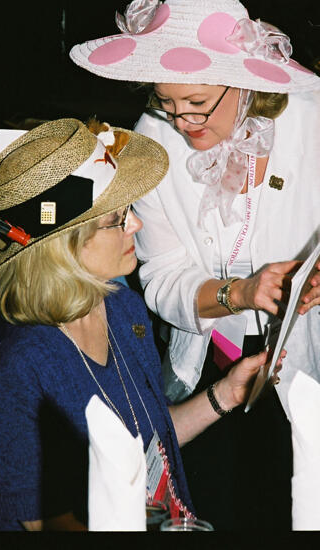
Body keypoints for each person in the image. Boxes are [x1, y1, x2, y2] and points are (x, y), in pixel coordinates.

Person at [0, 117, 282, 531]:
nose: (137, 225)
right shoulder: (5, 369)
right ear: (61, 249)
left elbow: (147, 439)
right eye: (116, 220)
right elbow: (47, 525)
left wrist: (226, 394)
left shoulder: (122, 309)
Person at [69, 0, 320, 530]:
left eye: (198, 103)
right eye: (167, 102)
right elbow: (160, 278)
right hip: (214, 357)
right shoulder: (152, 137)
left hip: (311, 352)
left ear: (242, 82)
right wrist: (240, 293)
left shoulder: (310, 118)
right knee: (220, 502)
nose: (183, 122)